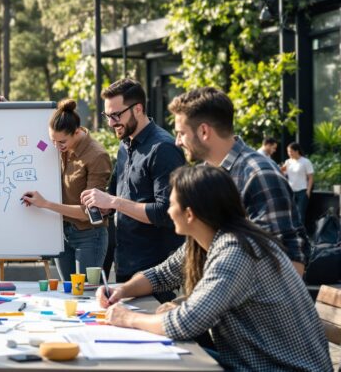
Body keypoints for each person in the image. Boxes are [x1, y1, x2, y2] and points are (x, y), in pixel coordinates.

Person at [98, 166, 332, 372]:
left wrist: (129, 318)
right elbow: (161, 274)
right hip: (253, 361)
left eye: (172, 204)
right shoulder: (208, 239)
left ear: (190, 214)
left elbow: (186, 322)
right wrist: (122, 290)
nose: (168, 211)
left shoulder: (237, 250)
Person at [168, 87, 309, 274]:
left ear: (204, 131)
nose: (177, 141)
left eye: (181, 133)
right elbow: (187, 255)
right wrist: (134, 285)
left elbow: (288, 259)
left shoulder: (259, 174)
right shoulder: (205, 173)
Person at [80, 79, 185, 292]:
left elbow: (166, 213)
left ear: (138, 109)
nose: (111, 123)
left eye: (116, 115)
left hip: (158, 272)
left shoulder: (163, 148)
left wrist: (114, 202)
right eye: (107, 116)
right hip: (126, 263)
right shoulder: (124, 144)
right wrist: (103, 205)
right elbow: (116, 196)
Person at [21, 99, 112, 279]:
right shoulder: (58, 145)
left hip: (89, 236)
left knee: (85, 291)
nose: (56, 147)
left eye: (61, 142)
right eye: (52, 141)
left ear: (77, 132)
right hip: (61, 233)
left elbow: (89, 213)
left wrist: (46, 204)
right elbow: (29, 136)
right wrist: (2, 106)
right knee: (68, 290)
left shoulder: (96, 156)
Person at [282, 142, 314, 225]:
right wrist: (281, 169)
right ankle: (293, 231)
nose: (289, 153)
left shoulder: (305, 162)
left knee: (300, 214)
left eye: (291, 151)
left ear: (297, 151)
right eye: (288, 151)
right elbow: (283, 174)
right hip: (291, 191)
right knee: (291, 213)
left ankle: (300, 232)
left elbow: (310, 177)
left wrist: (308, 191)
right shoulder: (288, 162)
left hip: (302, 191)